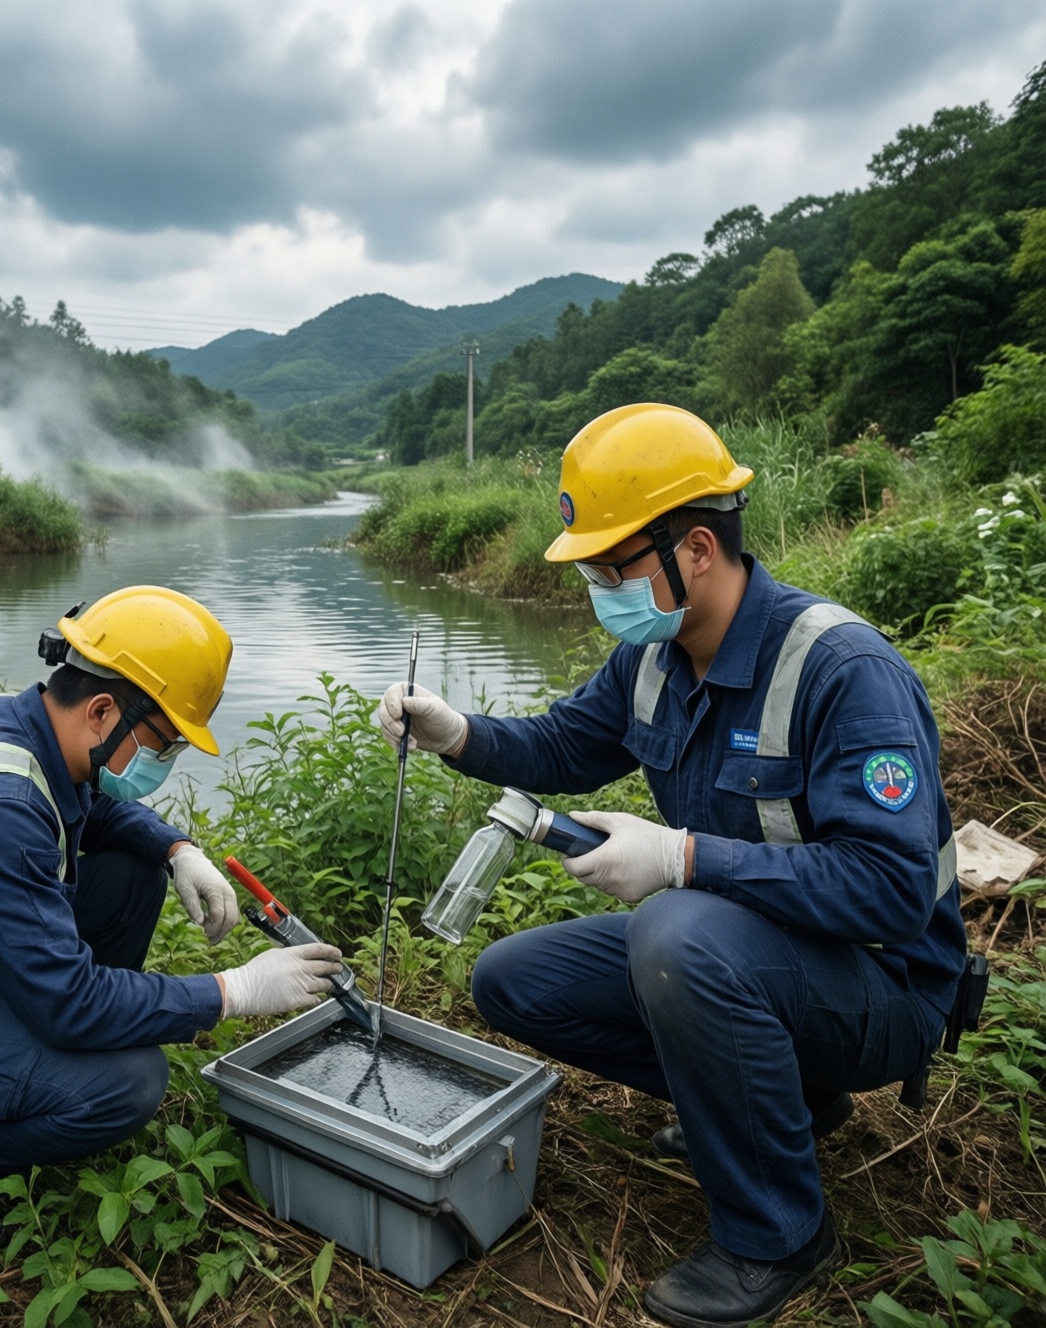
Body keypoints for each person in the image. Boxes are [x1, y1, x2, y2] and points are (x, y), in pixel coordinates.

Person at [377, 404, 968, 1328]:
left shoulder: (842, 670)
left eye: (614, 569)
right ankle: (787, 1105)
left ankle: (779, 1234)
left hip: (882, 984)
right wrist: (457, 733)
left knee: (675, 933)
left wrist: (679, 857)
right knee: (514, 981)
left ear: (695, 548)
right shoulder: (653, 656)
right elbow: (562, 745)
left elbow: (890, 891)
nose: (601, 590)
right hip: (755, 951)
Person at [0, 585, 342, 1256]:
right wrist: (234, 990)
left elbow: (91, 804)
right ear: (102, 710)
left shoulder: (28, 724)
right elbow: (68, 1002)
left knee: (131, 874)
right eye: (163, 744)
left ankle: (55, 1055)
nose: (165, 762)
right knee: (127, 1084)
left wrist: (176, 849)